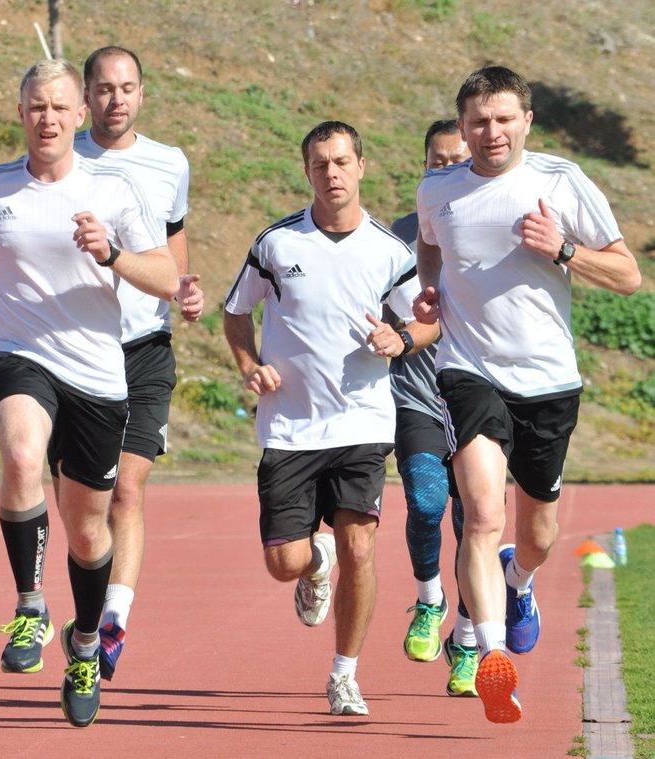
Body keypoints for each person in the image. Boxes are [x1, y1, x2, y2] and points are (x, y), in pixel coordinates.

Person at [0, 59, 178, 728]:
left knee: (88, 528)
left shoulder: (114, 189)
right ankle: (28, 607)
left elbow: (164, 276)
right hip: (22, 356)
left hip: (100, 377)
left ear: (80, 116)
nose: (47, 117)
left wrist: (112, 257)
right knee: (19, 454)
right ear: (21, 114)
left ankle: (82, 644)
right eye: (35, 106)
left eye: (59, 107)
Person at [413, 65, 641, 723]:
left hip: (548, 381)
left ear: (526, 122)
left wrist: (564, 249)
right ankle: (491, 660)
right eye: (479, 120)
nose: (492, 131)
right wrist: (432, 293)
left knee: (537, 530)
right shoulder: (439, 189)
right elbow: (431, 248)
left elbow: (627, 274)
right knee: (482, 513)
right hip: (468, 371)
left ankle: (520, 580)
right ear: (463, 126)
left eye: (504, 118)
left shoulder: (560, 181)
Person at [224, 121, 439, 717]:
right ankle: (313, 561)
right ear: (307, 173)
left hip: (363, 426)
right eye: (320, 165)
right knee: (283, 562)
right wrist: (249, 365)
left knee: (361, 550)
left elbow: (428, 322)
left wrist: (399, 338)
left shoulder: (389, 252)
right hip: (290, 428)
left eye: (342, 162)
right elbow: (236, 314)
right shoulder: (276, 245)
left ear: (362, 166)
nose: (332, 174)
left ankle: (345, 674)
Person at [73, 45, 203, 678]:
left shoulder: (168, 162)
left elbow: (171, 242)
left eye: (127, 87)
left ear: (142, 94)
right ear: (86, 97)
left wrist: (184, 287)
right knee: (83, 501)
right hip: (71, 350)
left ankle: (114, 617)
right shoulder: (60, 159)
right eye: (104, 88)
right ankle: (84, 605)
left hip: (143, 346)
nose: (116, 98)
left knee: (127, 488)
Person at [388, 119, 476, 697]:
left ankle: (466, 639)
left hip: (476, 397)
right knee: (424, 503)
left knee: (476, 522)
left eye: (456, 161)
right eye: (435, 162)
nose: (444, 170)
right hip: (416, 395)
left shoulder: (491, 226)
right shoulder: (395, 236)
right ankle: (429, 600)